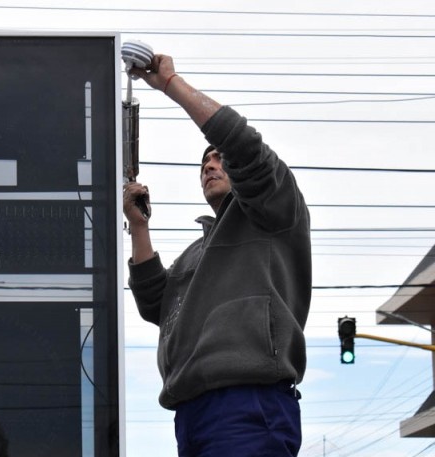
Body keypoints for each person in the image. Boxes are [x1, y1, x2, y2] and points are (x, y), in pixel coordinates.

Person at [123, 52, 312, 457]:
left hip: (248, 407)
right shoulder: (197, 252)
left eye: (218, 159)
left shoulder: (274, 210)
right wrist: (139, 228)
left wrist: (170, 84)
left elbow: (244, 146)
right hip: (190, 416)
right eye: (204, 163)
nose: (210, 166)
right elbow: (155, 302)